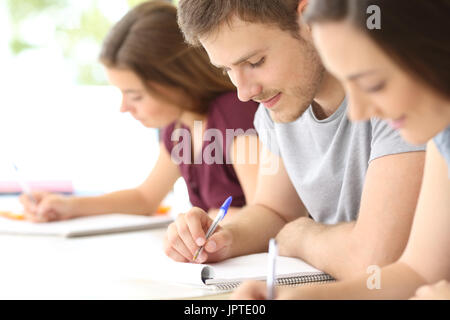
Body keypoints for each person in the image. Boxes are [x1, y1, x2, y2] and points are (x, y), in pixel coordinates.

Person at [164, 0, 425, 279]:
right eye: (226, 70)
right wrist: (222, 238)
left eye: (255, 62)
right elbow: (274, 211)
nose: (244, 92)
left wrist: (302, 236)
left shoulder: (395, 92)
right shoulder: (278, 105)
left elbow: (375, 261)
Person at [232, 0, 450, 299]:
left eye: (373, 84)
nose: (358, 113)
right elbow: (419, 272)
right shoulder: (442, 140)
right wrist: (310, 297)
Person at [19, 1, 260, 226]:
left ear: (177, 80)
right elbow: (145, 198)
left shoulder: (233, 114)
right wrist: (68, 205)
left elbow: (264, 212)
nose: (124, 107)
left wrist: (214, 221)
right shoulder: (179, 129)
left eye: (135, 95)